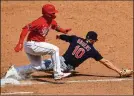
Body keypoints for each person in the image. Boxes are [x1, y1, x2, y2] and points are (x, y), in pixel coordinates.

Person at [3, 31, 133, 81]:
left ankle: (21, 71)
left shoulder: (76, 39)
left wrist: (59, 36)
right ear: (93, 40)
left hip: (62, 62)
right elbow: (105, 62)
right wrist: (119, 71)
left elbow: (65, 37)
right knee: (39, 66)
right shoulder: (92, 50)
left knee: (42, 66)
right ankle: (15, 70)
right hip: (65, 67)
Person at [5, 4, 72, 80]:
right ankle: (58, 74)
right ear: (47, 14)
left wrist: (63, 31)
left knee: (37, 66)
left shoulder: (51, 21)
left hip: (34, 45)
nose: (54, 14)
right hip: (32, 45)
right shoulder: (39, 22)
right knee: (55, 49)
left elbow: (55, 27)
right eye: (53, 13)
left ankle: (14, 71)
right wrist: (20, 43)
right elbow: (25, 28)